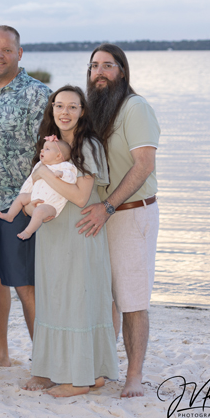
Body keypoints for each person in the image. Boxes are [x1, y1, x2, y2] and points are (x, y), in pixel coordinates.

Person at [21, 85, 118, 397]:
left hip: (79, 231)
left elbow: (79, 197)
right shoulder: (51, 144)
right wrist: (30, 207)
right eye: (59, 105)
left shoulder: (88, 145)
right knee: (55, 299)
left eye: (72, 106)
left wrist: (44, 174)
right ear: (52, 109)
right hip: (51, 231)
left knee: (78, 299)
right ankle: (77, 373)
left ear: (82, 111)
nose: (64, 112)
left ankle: (80, 379)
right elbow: (32, 191)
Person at [76, 44, 160, 398]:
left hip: (129, 213)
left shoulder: (135, 107)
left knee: (132, 300)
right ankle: (102, 369)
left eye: (107, 65)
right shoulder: (94, 111)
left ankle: (134, 376)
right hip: (101, 215)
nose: (99, 72)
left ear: (121, 71)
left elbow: (144, 165)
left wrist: (108, 207)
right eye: (94, 65)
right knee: (104, 298)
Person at [0, 25, 50, 367]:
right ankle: (0, 351)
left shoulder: (38, 94)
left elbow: (49, 153)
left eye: (6, 49)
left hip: (19, 204)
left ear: (19, 53)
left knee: (25, 285)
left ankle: (45, 360)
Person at [0, 135, 77, 240]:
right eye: (42, 148)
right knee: (21, 197)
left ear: (58, 156)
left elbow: (72, 177)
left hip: (51, 204)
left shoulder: (65, 166)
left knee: (38, 211)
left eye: (47, 149)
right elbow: (31, 181)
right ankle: (10, 215)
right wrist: (27, 192)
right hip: (36, 196)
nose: (42, 151)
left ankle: (28, 231)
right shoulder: (40, 165)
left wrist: (62, 174)